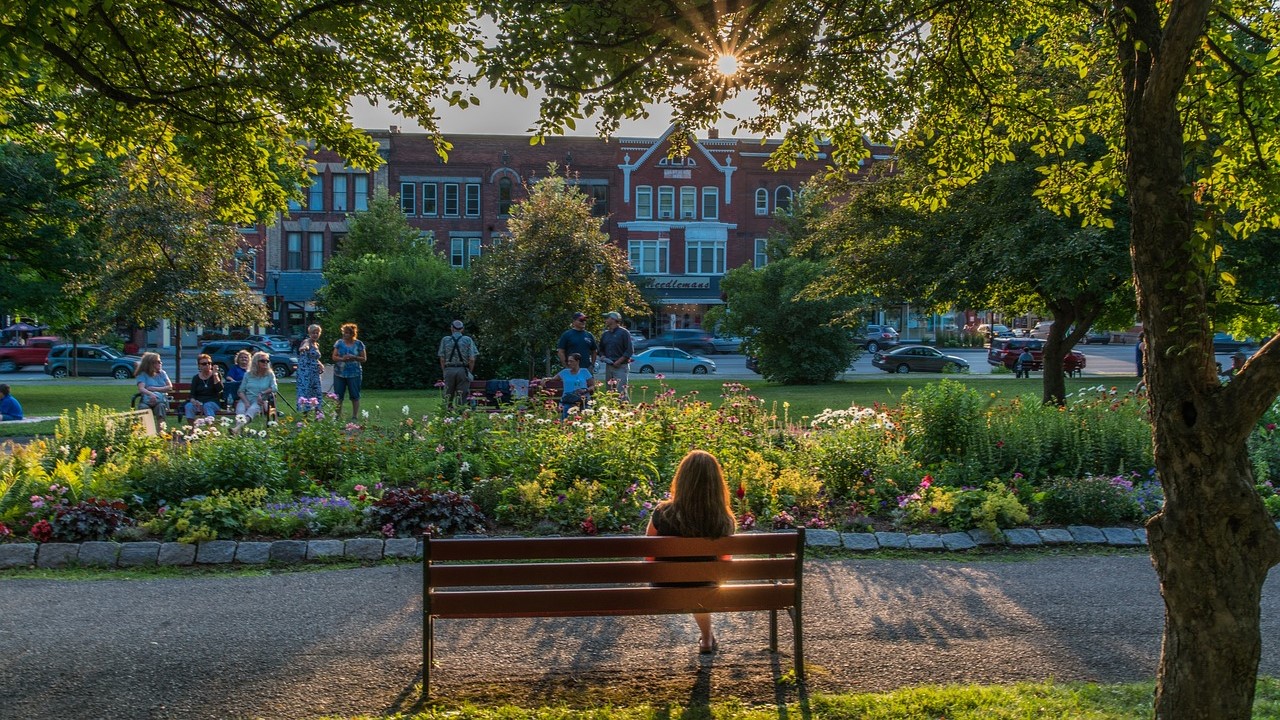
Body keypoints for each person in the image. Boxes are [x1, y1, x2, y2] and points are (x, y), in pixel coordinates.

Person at [646, 449, 737, 654]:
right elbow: (725, 564)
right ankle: (706, 639)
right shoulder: (723, 520)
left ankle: (707, 637)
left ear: (682, 480)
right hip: (703, 587)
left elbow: (648, 553)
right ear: (716, 484)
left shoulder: (662, 512)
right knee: (701, 585)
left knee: (695, 584)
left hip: (664, 585)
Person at [438, 320, 479, 411]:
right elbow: (472, 359)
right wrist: (469, 371)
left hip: (449, 370)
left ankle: (447, 416)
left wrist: (444, 371)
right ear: (462, 329)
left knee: (448, 396)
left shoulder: (445, 340)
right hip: (463, 370)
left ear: (452, 328)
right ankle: (460, 415)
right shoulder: (468, 340)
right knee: (462, 396)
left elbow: (442, 358)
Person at [330, 323, 367, 421]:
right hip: (339, 373)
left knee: (355, 395)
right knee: (338, 395)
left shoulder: (359, 344)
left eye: (347, 333)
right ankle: (337, 415)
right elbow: (334, 357)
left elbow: (364, 358)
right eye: (344, 332)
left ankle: (355, 416)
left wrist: (354, 357)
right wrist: (342, 359)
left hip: (354, 373)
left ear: (352, 334)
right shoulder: (339, 343)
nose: (345, 334)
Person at [234, 351, 278, 431]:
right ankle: (237, 432)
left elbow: (274, 388)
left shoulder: (270, 374)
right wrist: (246, 402)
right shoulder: (248, 374)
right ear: (256, 362)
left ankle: (236, 429)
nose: (265, 363)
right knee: (240, 410)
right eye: (262, 361)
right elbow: (240, 391)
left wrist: (262, 393)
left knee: (252, 409)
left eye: (267, 361)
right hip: (246, 399)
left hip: (261, 400)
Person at [598, 311, 634, 401]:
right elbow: (600, 349)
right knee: (609, 392)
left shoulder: (624, 333)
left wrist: (619, 361)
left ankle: (627, 411)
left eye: (607, 318)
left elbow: (629, 350)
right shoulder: (605, 334)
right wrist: (602, 356)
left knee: (621, 391)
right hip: (609, 366)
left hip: (621, 366)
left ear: (613, 319)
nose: (605, 320)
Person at [552, 352, 595, 419]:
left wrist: (585, 390)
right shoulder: (565, 372)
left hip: (582, 400)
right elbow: (552, 379)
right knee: (566, 410)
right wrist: (545, 379)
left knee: (586, 412)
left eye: (571, 361)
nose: (569, 363)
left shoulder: (584, 371)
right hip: (567, 401)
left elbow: (592, 386)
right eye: (568, 361)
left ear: (577, 361)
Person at [184, 353, 224, 421]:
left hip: (213, 402)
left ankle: (211, 428)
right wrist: (194, 401)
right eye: (204, 364)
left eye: (209, 363)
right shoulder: (196, 378)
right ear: (199, 366)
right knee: (189, 406)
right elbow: (192, 394)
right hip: (199, 403)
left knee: (207, 406)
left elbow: (219, 389)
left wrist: (215, 375)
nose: (207, 365)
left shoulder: (216, 375)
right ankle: (191, 429)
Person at [135, 351, 173, 420]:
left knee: (161, 407)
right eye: (158, 362)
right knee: (143, 408)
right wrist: (151, 394)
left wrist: (153, 389)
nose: (161, 363)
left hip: (160, 400)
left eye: (160, 361)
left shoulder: (162, 373)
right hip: (147, 400)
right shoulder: (142, 374)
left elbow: (170, 387)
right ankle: (147, 430)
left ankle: (160, 430)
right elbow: (141, 388)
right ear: (151, 364)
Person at [295, 324, 325, 411]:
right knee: (306, 391)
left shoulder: (316, 344)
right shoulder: (307, 341)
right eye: (313, 333)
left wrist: (320, 364)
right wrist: (304, 348)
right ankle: (305, 411)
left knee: (316, 391)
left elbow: (313, 358)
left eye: (317, 333)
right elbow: (305, 346)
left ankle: (317, 411)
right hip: (305, 372)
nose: (315, 335)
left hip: (314, 372)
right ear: (309, 333)